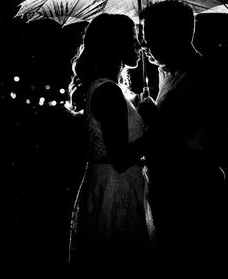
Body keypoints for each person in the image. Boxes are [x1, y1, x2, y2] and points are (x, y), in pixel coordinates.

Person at [137, 0, 228, 266]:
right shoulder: (169, 73)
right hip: (168, 187)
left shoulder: (201, 75)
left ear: (171, 36)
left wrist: (154, 119)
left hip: (190, 194)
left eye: (149, 36)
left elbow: (202, 142)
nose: (145, 45)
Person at [65, 13, 156, 271]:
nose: (140, 47)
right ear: (115, 45)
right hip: (117, 186)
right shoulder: (108, 92)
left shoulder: (109, 89)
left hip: (108, 183)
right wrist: (155, 130)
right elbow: (120, 159)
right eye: (134, 39)